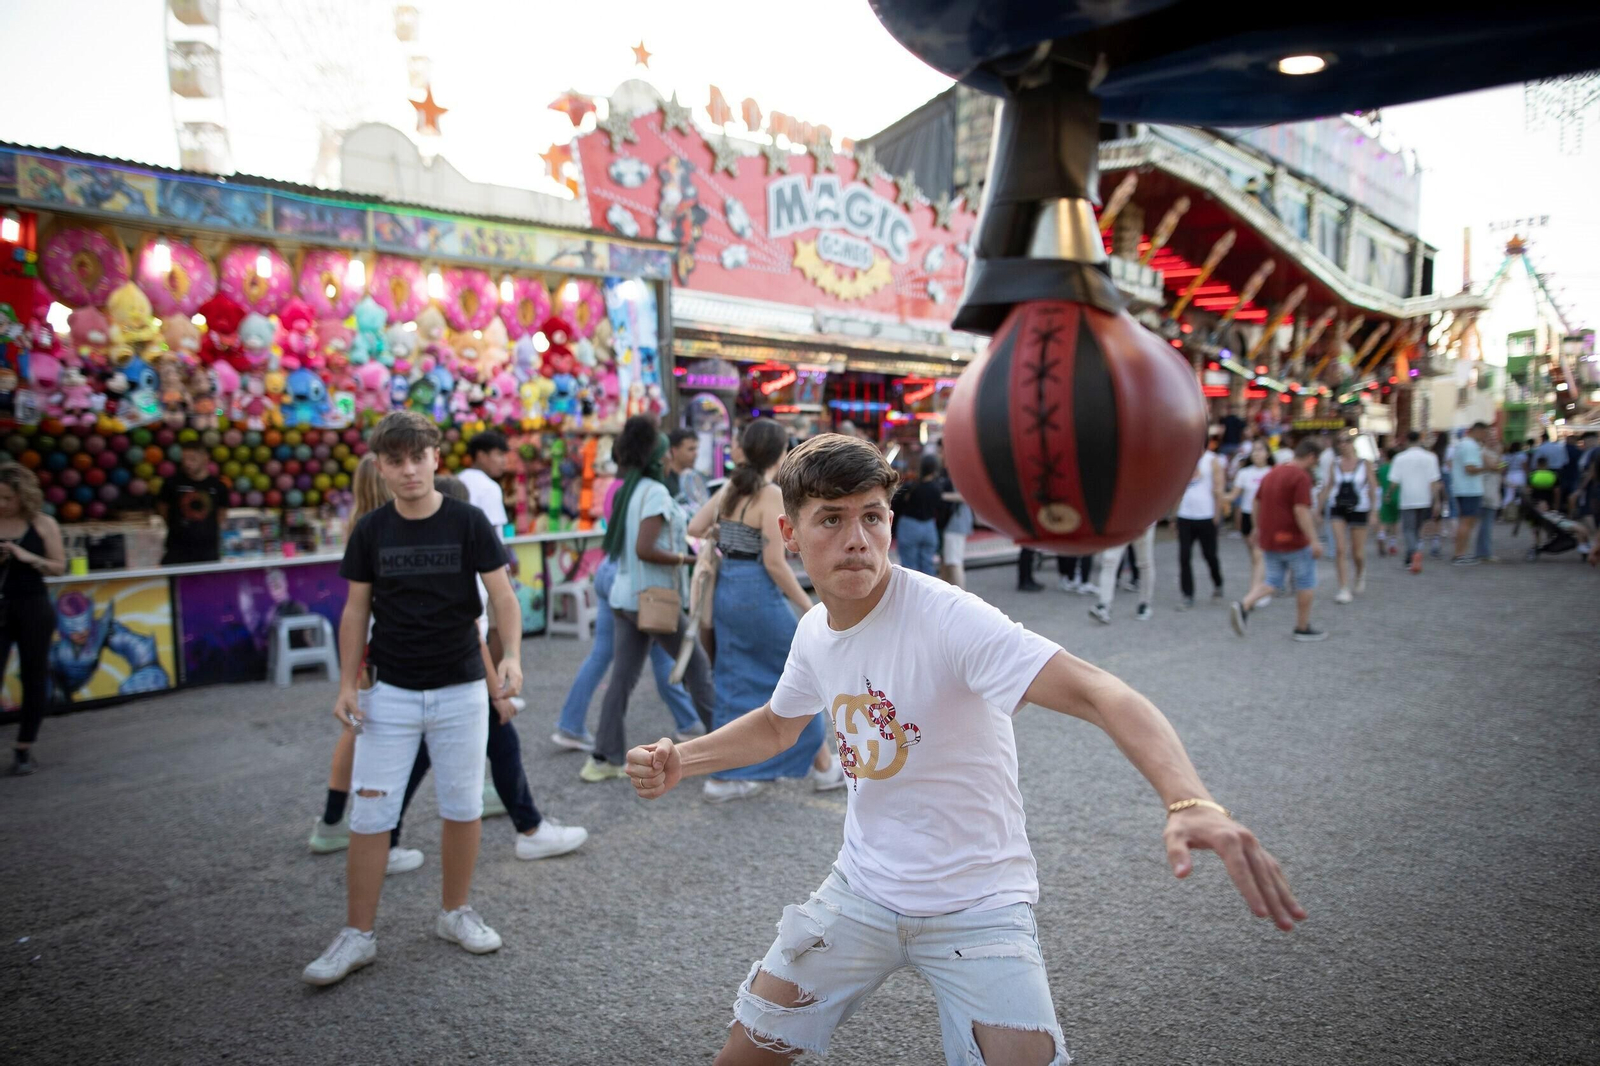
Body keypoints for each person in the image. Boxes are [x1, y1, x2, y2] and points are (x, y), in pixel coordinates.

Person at [625, 434, 1306, 1065]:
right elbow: (778, 725)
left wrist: (1188, 799)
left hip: (979, 905)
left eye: (872, 517)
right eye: (831, 519)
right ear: (789, 532)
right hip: (861, 891)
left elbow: (1101, 691)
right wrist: (687, 758)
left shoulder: (949, 618)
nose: (857, 539)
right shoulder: (815, 632)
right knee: (747, 1053)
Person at [302, 411, 522, 987]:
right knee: (371, 814)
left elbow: (502, 596)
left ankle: (456, 913)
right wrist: (348, 683)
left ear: (435, 457)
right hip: (391, 693)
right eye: (395, 461)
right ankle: (358, 933)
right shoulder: (372, 530)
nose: (408, 470)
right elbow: (355, 611)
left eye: (417, 457)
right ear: (381, 466)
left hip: (461, 691)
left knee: (462, 807)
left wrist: (512, 657)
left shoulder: (469, 521)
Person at [383, 476, 588, 860]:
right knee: (484, 749)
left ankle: (388, 837)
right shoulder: (458, 554)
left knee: (471, 748)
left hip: (434, 675)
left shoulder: (421, 547)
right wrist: (497, 690)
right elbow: (471, 634)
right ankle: (529, 829)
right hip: (456, 677)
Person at [688, 419, 841, 802]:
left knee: (734, 680)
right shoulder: (770, 494)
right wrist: (810, 606)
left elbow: (695, 525)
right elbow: (775, 563)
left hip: (728, 590)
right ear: (779, 453)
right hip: (758, 591)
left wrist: (725, 534)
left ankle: (724, 776)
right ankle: (821, 767)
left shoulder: (731, 489)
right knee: (801, 677)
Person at [583, 415, 715, 783]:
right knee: (698, 668)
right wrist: (688, 559)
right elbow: (645, 548)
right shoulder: (653, 491)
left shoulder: (631, 487)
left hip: (626, 597)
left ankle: (604, 756)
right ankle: (724, 756)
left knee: (622, 678)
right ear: (659, 457)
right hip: (652, 598)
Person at [309, 455, 395, 857]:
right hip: (384, 644)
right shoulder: (383, 529)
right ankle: (367, 829)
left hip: (366, 644)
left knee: (359, 730)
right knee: (374, 734)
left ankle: (332, 819)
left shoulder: (358, 526)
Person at [0, 464, 67, 775]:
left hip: (32, 606)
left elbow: (58, 567)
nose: (2, 504)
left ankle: (24, 747)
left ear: (23, 497)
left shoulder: (42, 524)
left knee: (33, 675)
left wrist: (28, 557)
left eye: (7, 498)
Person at [1229, 438, 1327, 641]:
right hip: (1294, 539)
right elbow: (1301, 510)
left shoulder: (1272, 473)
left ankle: (1244, 604)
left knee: (1272, 580)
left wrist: (1257, 528)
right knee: (1306, 582)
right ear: (1310, 457)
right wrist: (1314, 540)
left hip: (1271, 538)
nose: (1316, 466)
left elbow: (1256, 502)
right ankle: (1302, 627)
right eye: (1316, 461)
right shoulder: (1300, 477)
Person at [1315, 436, 1379, 602]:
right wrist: (1319, 509)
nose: (1344, 444)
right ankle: (1343, 588)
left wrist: (1374, 512)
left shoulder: (1365, 464)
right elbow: (1328, 486)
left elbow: (1373, 487)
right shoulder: (1334, 464)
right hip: (1338, 507)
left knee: (1357, 552)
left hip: (1360, 508)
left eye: (1347, 441)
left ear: (1353, 444)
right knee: (1340, 549)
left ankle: (1359, 573)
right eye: (1340, 441)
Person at [157, 440, 228, 564]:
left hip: (208, 552)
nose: (187, 463)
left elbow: (221, 515)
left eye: (192, 459)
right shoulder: (172, 484)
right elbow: (163, 509)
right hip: (177, 551)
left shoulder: (218, 486)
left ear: (205, 458)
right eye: (184, 459)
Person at [1174, 444, 1226, 609]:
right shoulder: (1182, 457)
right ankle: (1187, 594)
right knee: (1184, 556)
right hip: (1185, 515)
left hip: (1205, 515)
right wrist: (1174, 515)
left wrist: (1217, 515)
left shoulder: (1212, 460)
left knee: (1209, 555)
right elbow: (1176, 488)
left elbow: (1219, 488)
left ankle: (1218, 582)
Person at [1387, 431, 1443, 574]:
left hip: (1407, 498)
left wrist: (1388, 494)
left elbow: (1394, 481)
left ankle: (1414, 552)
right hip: (1424, 499)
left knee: (1408, 529)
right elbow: (1434, 482)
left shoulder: (1400, 458)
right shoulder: (1430, 457)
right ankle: (1411, 556)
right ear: (1420, 439)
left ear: (1406, 440)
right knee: (1417, 529)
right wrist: (1437, 501)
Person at [1228, 440, 1275, 600]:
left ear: (1268, 453)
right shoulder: (1244, 473)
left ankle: (1253, 595)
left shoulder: (1272, 472)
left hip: (1266, 518)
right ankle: (1265, 584)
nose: (1256, 453)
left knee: (1258, 556)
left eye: (1260, 449)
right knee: (1255, 557)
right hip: (1248, 516)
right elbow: (1234, 495)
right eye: (1254, 450)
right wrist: (1218, 494)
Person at [1088, 523, 1155, 625]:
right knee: (1109, 560)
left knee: (1144, 563)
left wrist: (1149, 520)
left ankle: (1145, 603)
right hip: (1121, 523)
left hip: (1144, 521)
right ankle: (1104, 604)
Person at [891, 453, 942, 577]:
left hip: (909, 524)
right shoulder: (937, 488)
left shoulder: (911, 486)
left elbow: (896, 503)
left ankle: (911, 596)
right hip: (929, 526)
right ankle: (930, 595)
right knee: (928, 565)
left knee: (909, 568)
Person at [1449, 422, 1491, 566]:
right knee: (1467, 522)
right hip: (1469, 490)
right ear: (1478, 431)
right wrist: (1486, 467)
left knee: (1466, 522)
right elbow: (1470, 468)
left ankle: (1461, 553)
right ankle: (1460, 555)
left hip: (1464, 489)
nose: (1486, 436)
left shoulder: (1464, 444)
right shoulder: (1470, 446)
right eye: (1485, 433)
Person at [936, 466, 973, 589]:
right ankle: (948, 595)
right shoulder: (954, 471)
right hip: (952, 522)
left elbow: (967, 496)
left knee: (954, 562)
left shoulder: (961, 473)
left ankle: (960, 599)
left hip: (956, 522)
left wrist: (943, 496)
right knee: (947, 561)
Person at [1474, 434, 1504, 563]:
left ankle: (1482, 551)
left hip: (1491, 489)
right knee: (1486, 523)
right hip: (1488, 491)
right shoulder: (1484, 453)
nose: (1493, 441)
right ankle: (1485, 552)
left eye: (1495, 438)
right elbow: (1496, 467)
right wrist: (1499, 455)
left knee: (1486, 523)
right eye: (1490, 438)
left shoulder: (1490, 453)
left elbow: (1501, 469)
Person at [665, 427, 709, 513]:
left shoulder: (698, 478)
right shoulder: (665, 480)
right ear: (674, 451)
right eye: (690, 449)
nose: (696, 454)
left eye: (696, 449)